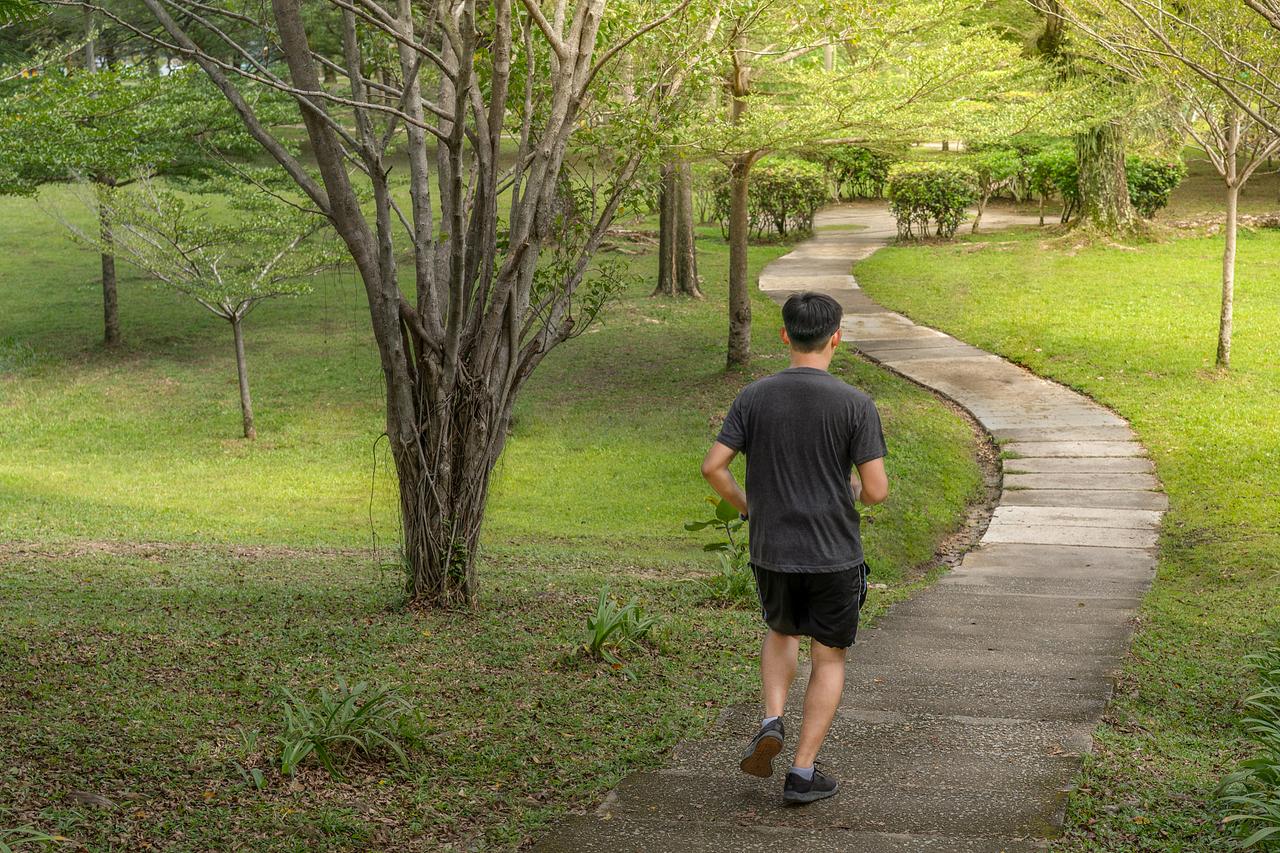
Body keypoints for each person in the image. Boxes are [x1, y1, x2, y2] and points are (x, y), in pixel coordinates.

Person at [701, 291, 888, 804]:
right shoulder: (855, 403)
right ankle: (802, 772)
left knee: (781, 630)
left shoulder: (754, 397)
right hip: (834, 554)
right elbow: (876, 490)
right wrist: (851, 490)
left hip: (773, 549)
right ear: (836, 338)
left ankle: (771, 719)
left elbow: (713, 467)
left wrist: (750, 507)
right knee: (829, 657)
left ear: (785, 335)